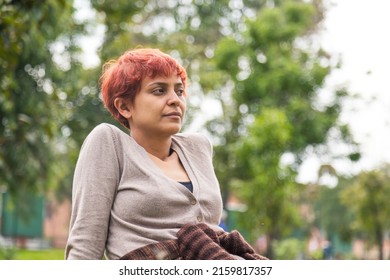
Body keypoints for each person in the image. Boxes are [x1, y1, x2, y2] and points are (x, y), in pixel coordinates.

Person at [65, 48, 266, 260]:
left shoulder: (198, 147)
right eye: (159, 91)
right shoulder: (110, 144)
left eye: (179, 91)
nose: (175, 100)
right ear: (124, 106)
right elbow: (85, 246)